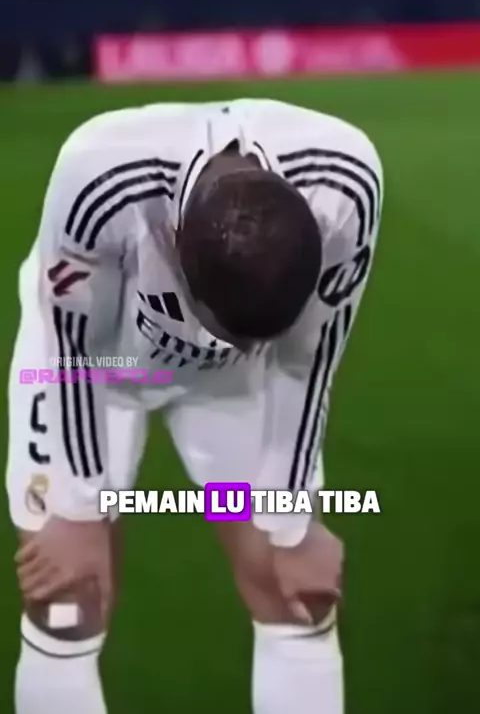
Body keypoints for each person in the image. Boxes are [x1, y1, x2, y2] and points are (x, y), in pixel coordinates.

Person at [7, 98, 383, 714]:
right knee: (67, 602)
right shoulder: (99, 170)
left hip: (234, 386)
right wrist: (75, 508)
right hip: (96, 362)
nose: (239, 345)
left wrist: (292, 522)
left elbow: (312, 356)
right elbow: (69, 340)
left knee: (294, 592)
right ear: (175, 242)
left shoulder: (344, 184)